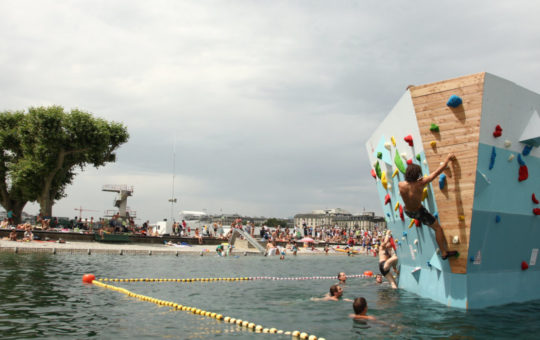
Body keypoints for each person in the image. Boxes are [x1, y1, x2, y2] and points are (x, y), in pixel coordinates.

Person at [398, 153, 458, 260]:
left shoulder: (400, 185)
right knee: (437, 228)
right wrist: (447, 159)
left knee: (415, 206)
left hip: (408, 211)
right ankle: (444, 252)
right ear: (417, 175)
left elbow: (409, 184)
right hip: (419, 212)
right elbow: (437, 172)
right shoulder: (420, 184)